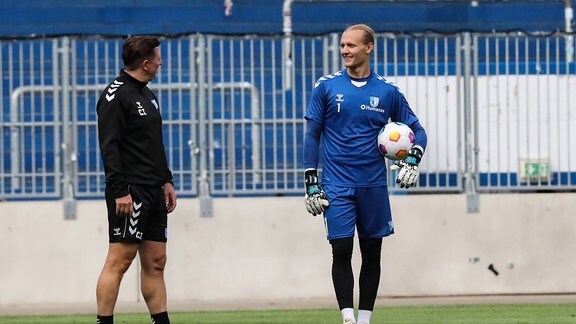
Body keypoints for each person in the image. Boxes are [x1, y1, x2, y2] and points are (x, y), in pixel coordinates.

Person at [303, 24, 428, 324]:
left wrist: (413, 159)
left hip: (373, 184)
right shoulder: (326, 87)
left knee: (372, 252)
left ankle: (365, 319)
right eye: (342, 45)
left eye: (351, 45)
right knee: (342, 248)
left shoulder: (388, 91)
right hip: (336, 183)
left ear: (368, 48)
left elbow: (418, 131)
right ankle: (348, 318)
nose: (345, 50)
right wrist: (311, 181)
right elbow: (312, 134)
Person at [95, 35, 177, 324]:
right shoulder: (116, 96)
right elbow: (109, 147)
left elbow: (154, 143)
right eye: (157, 58)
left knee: (157, 261)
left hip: (154, 189)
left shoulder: (147, 94)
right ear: (145, 63)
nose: (161, 62)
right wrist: (120, 191)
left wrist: (166, 180)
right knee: (120, 261)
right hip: (130, 191)